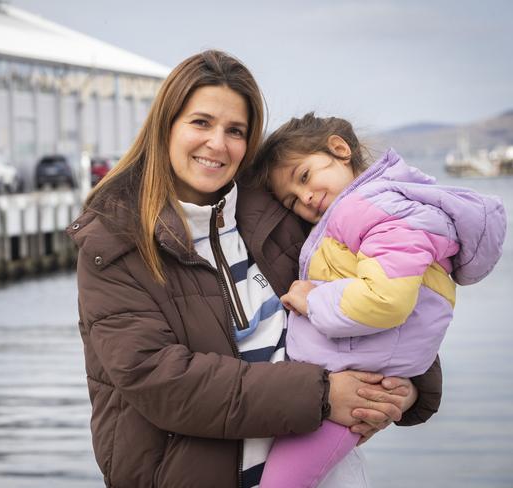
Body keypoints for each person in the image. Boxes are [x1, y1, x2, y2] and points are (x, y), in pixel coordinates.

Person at [67, 51, 443, 488]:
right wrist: (324, 396)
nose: (218, 144)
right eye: (201, 122)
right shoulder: (113, 241)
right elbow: (159, 380)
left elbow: (383, 301)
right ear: (166, 126)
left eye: (236, 131)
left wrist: (404, 389)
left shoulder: (280, 216)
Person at [254, 113, 506, 488]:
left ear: (339, 150)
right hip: (350, 376)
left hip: (357, 386)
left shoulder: (375, 209)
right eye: (292, 201)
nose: (304, 198)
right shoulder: (358, 211)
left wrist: (313, 300)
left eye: (304, 176)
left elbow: (386, 299)